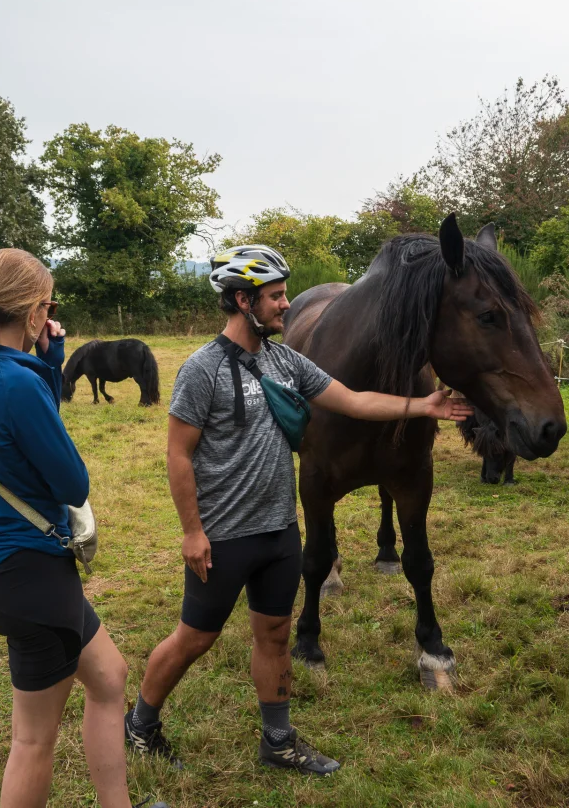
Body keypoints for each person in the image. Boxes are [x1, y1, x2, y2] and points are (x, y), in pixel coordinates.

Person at [125, 245, 473, 776]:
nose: (286, 305)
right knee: (194, 638)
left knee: (275, 636)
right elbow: (178, 454)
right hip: (223, 535)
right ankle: (141, 723)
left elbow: (354, 401)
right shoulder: (201, 369)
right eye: (275, 296)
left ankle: (279, 740)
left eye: (286, 294)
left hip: (279, 531)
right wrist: (192, 532)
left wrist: (423, 406)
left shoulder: (286, 361)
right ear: (243, 301)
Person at [0, 249, 167, 808]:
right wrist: (45, 369)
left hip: (3, 569)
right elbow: (73, 483)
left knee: (110, 677)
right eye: (48, 305)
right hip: (31, 578)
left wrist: (52, 361)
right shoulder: (14, 384)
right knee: (32, 740)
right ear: (33, 312)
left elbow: (25, 428)